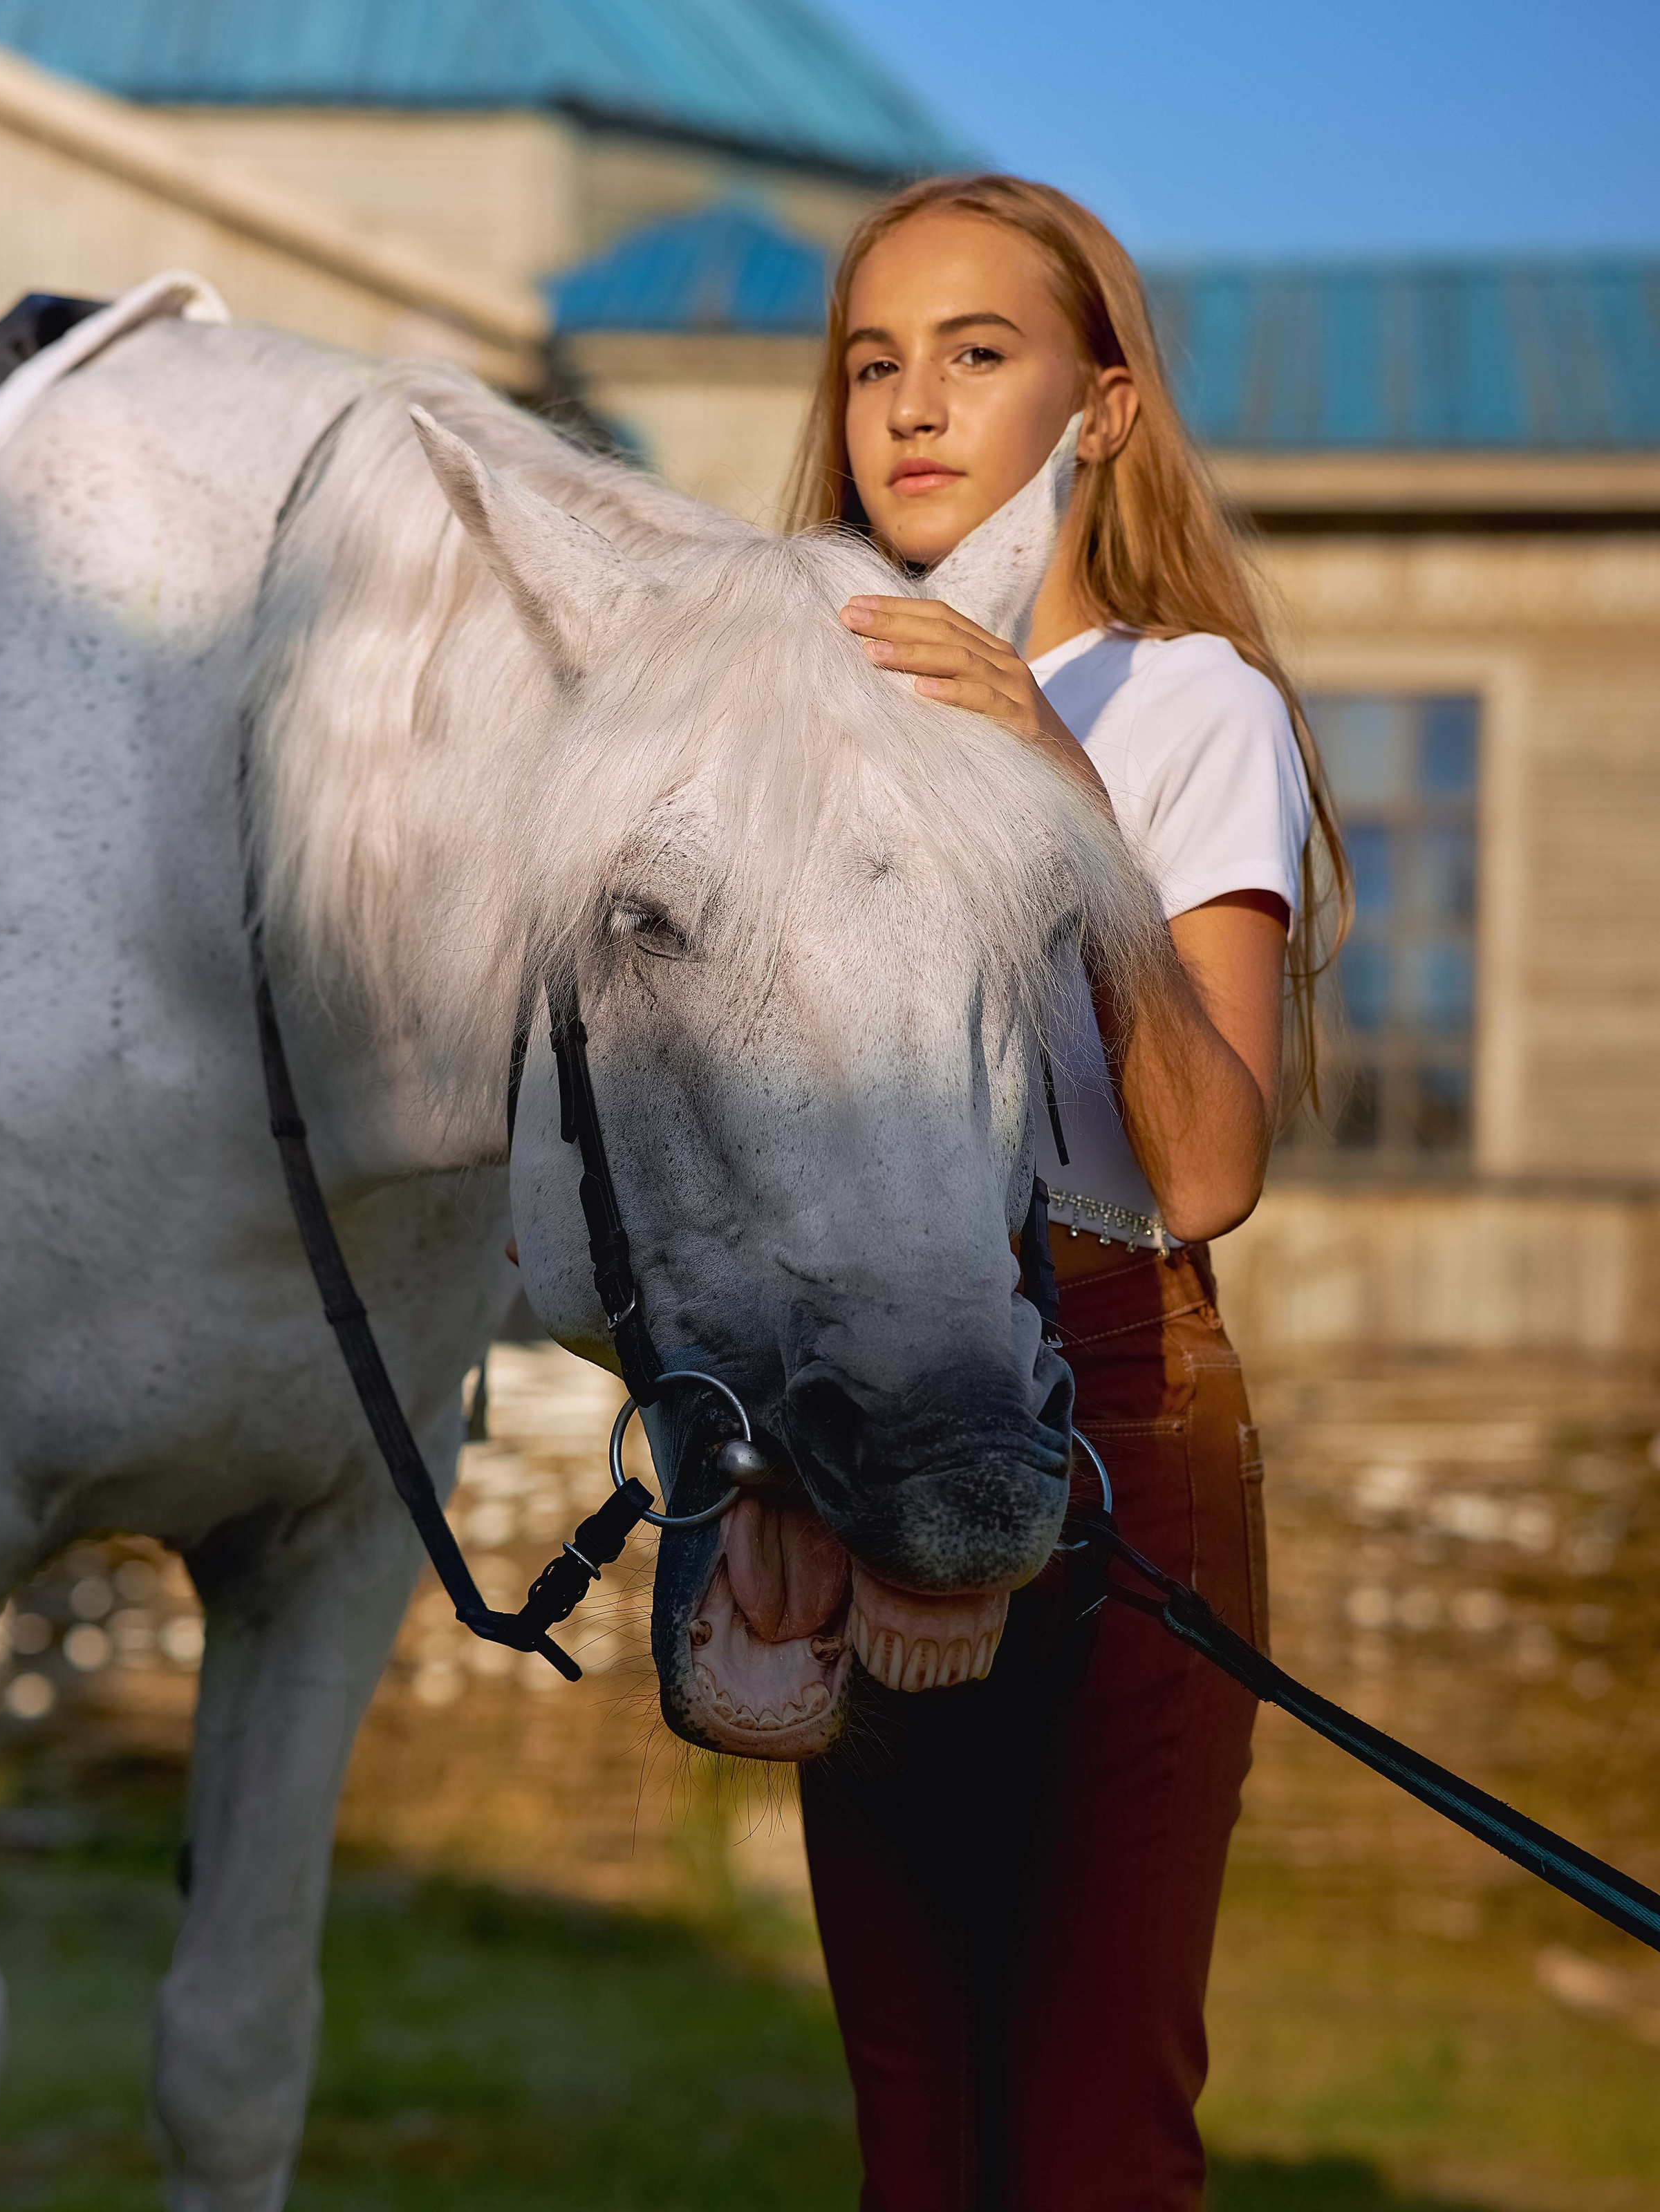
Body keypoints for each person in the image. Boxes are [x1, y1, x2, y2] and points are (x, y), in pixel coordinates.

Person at [783, 174, 1350, 2211]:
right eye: (875, 363)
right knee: (915, 2121)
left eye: (979, 352)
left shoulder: (1188, 705)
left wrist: (1050, 784)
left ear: (1102, 408)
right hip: (864, 1403)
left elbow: (1206, 1167)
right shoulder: (798, 723)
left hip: (1122, 1417)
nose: (913, 406)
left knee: (1096, 2121)